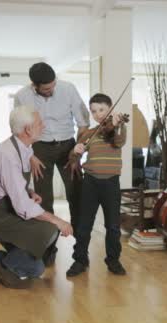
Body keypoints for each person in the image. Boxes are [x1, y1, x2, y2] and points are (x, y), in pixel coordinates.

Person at [0, 105, 74, 289]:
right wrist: (59, 221)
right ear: (28, 129)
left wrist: (30, 192)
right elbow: (23, 207)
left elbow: (17, 184)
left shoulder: (23, 148)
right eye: (39, 123)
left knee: (36, 267)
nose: (43, 125)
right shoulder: (7, 155)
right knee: (49, 229)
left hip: (8, 211)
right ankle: (7, 268)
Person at [13, 63, 90, 260]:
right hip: (39, 149)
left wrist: (76, 154)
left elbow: (83, 124)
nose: (51, 90)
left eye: (53, 85)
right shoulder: (22, 96)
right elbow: (18, 129)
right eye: (46, 89)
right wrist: (30, 155)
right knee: (43, 199)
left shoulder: (68, 89)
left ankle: (81, 250)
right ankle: (48, 249)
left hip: (68, 147)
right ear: (34, 85)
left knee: (77, 196)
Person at [66, 93, 127, 277]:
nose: (98, 114)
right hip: (90, 183)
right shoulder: (89, 134)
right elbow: (73, 158)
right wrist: (75, 151)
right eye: (94, 111)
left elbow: (119, 141)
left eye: (102, 110)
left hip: (111, 183)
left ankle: (113, 260)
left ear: (110, 109)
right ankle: (80, 259)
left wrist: (117, 125)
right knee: (84, 224)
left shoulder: (117, 129)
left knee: (113, 225)